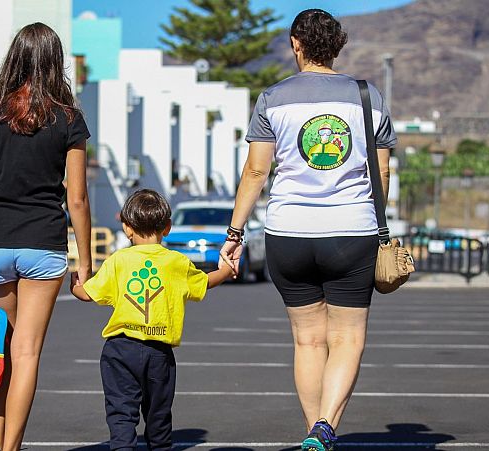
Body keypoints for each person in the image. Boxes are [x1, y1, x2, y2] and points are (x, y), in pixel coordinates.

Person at [219, 9, 396, 451]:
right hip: (350, 231)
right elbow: (384, 173)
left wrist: (235, 234)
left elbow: (256, 172)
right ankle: (325, 427)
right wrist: (375, 223)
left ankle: (316, 433)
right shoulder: (368, 96)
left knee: (308, 340)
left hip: (287, 232)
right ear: (338, 46)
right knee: (347, 338)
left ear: (296, 45)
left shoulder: (272, 98)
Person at [0, 23, 92, 451]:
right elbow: (79, 199)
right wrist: (84, 264)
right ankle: (11, 447)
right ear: (55, 63)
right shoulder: (69, 120)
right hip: (44, 246)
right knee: (26, 353)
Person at [70, 189, 235, 450]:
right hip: (159, 351)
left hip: (119, 349)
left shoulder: (119, 260)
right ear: (167, 227)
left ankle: (123, 446)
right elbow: (204, 282)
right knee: (158, 413)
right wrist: (225, 271)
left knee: (121, 411)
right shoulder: (176, 262)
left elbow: (88, 294)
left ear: (127, 228)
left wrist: (75, 286)